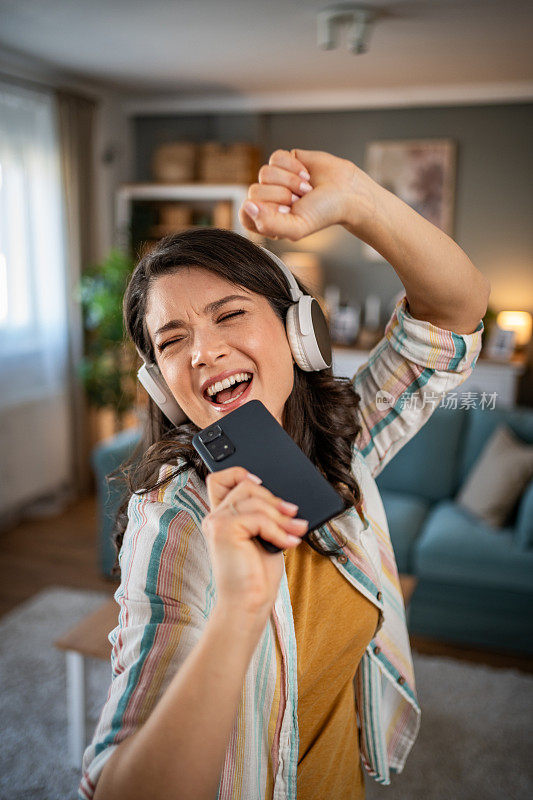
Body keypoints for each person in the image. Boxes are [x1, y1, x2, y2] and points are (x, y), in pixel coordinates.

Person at [79, 148, 489, 800]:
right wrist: (238, 609)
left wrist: (358, 198)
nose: (204, 351)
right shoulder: (178, 519)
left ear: (298, 332)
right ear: (162, 385)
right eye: (173, 338)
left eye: (229, 313)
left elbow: (453, 316)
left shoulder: (336, 443)